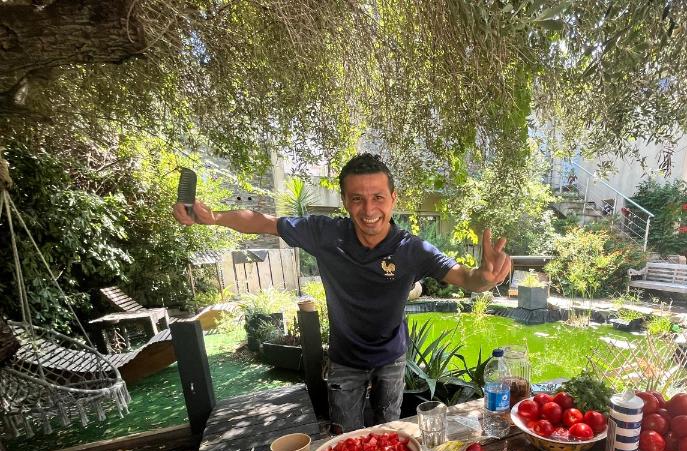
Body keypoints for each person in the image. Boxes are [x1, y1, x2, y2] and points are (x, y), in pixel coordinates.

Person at [172, 153, 511, 431]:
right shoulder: (325, 234)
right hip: (345, 359)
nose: (369, 210)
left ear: (393, 199)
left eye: (378, 197)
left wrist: (485, 277)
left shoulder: (412, 249)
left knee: (389, 428)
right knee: (346, 434)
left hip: (391, 357)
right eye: (357, 199)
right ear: (345, 202)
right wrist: (213, 218)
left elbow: (465, 277)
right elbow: (263, 222)